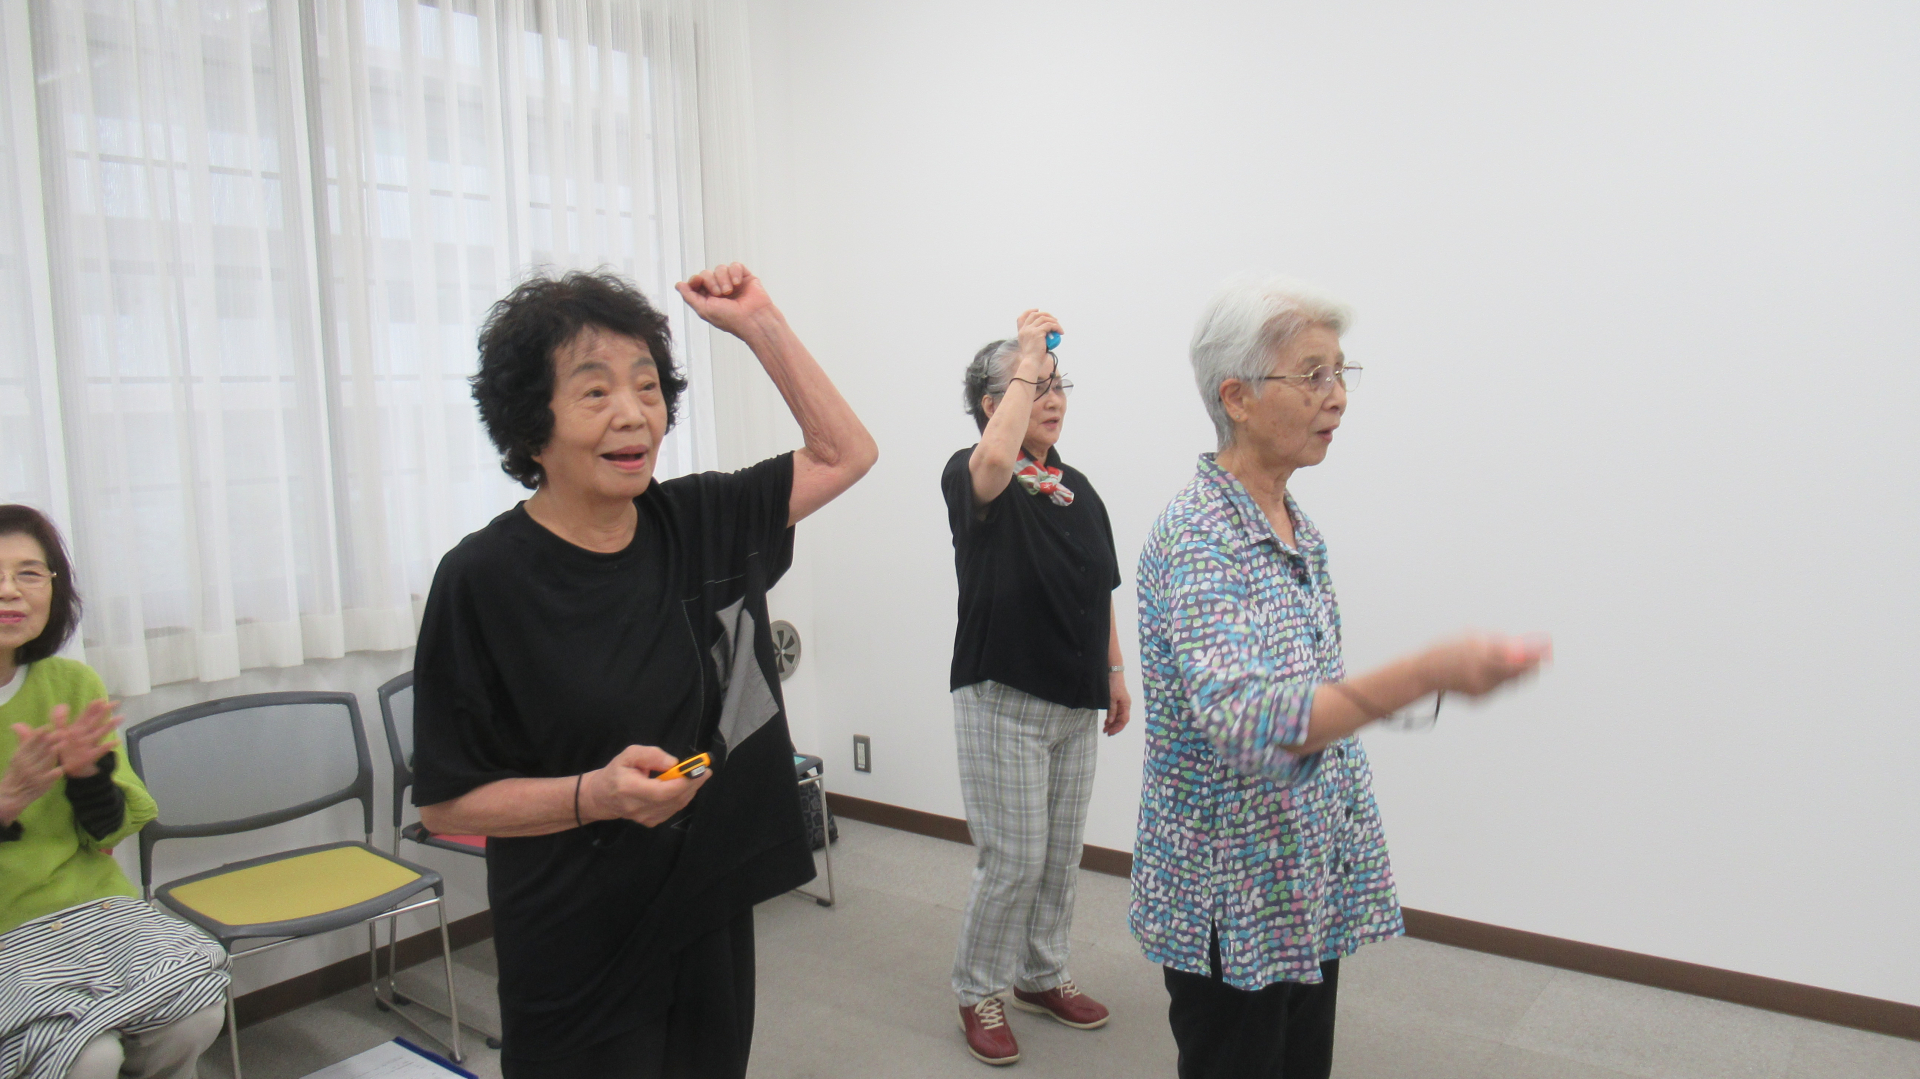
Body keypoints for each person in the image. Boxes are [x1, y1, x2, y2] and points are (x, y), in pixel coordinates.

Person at [411, 264, 876, 1079]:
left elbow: (846, 454)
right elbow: (448, 798)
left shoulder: (698, 520)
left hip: (705, 908)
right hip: (576, 937)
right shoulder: (482, 579)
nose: (633, 413)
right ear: (530, 424)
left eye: (648, 385)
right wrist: (593, 795)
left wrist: (759, 322)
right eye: (594, 392)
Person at [1131, 278, 1550, 1079]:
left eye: (1340, 372)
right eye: (1313, 374)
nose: (1338, 397)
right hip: (1232, 892)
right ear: (1237, 397)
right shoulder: (1199, 536)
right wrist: (1424, 672)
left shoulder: (1297, 527)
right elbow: (1247, 722)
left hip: (1298, 879)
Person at [941, 311, 1129, 1067]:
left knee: (1057, 855)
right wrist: (1027, 353)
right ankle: (977, 988)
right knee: (1013, 858)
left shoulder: (1076, 488)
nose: (1053, 399)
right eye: (1035, 387)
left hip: (1074, 698)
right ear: (996, 402)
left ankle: (1041, 975)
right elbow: (994, 460)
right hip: (1004, 695)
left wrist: (1114, 672)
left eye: (1059, 386)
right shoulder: (973, 470)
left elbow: (1101, 586)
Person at [0, 505, 229, 1079]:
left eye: (29, 573)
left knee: (197, 1015)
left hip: (87, 906)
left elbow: (107, 830)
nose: (10, 591)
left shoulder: (70, 683)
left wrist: (87, 779)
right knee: (89, 1059)